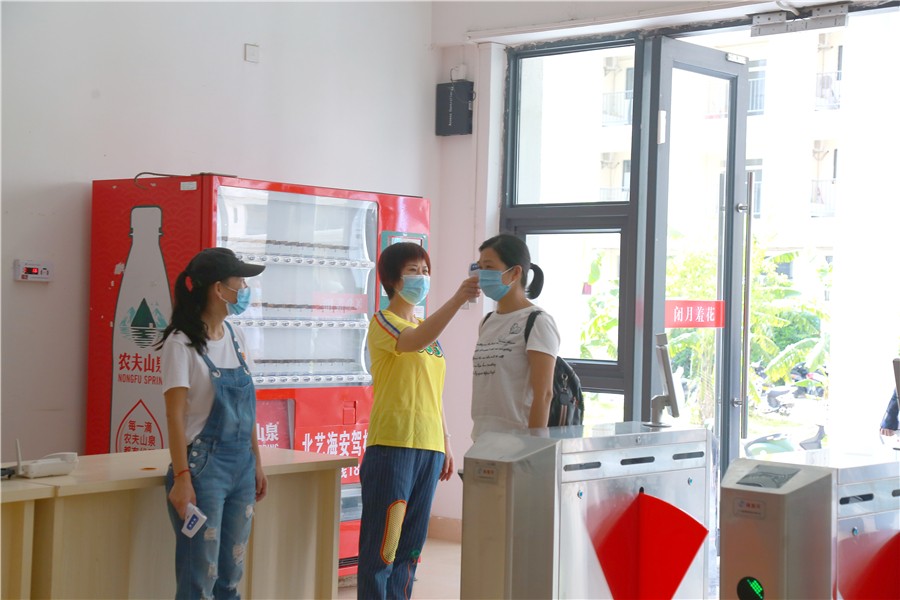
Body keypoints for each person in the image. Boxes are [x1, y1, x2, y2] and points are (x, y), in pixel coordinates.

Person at [358, 242, 479, 599]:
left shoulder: (427, 328)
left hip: (428, 448)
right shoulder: (384, 322)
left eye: (425, 271)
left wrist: (446, 440)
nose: (422, 278)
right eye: (413, 271)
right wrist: (457, 300)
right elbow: (411, 342)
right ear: (393, 280)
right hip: (392, 447)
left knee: (411, 548)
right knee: (384, 548)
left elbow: (433, 390)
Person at [157, 247, 268, 599]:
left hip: (241, 466)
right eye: (240, 283)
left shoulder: (236, 337)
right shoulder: (181, 343)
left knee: (231, 573)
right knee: (200, 575)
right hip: (202, 470)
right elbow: (174, 415)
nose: (245, 291)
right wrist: (181, 478)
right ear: (219, 289)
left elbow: (247, 409)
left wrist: (257, 462)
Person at [470, 233, 561, 442]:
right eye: (480, 267)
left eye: (489, 267)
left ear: (515, 272)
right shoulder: (487, 321)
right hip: (482, 440)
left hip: (518, 443)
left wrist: (532, 446)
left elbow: (544, 395)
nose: (482, 274)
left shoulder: (538, 321)